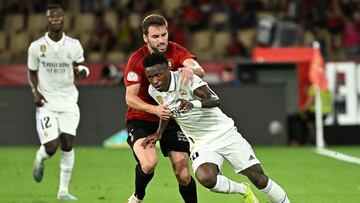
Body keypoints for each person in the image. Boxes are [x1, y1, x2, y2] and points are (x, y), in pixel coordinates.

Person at [142, 52, 290, 203]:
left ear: (168, 68)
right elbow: (167, 110)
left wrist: (193, 103)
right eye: (150, 77)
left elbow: (214, 99)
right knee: (206, 178)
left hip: (224, 133)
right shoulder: (153, 91)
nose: (155, 81)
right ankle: (243, 190)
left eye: (158, 75)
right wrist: (159, 133)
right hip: (201, 143)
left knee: (258, 178)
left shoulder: (186, 78)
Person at [124, 14, 204, 203]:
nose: (161, 40)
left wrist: (189, 70)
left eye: (164, 34)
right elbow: (130, 98)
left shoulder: (176, 51)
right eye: (155, 36)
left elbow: (199, 69)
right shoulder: (137, 60)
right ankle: (138, 196)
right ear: (145, 38)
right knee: (149, 163)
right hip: (142, 117)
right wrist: (154, 109)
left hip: (172, 118)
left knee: (183, 174)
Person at [27, 4, 90, 201]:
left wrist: (82, 71)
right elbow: (32, 71)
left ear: (64, 19)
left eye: (58, 15)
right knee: (51, 147)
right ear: (47, 19)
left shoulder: (74, 45)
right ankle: (40, 157)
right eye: (51, 16)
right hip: (47, 102)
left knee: (68, 143)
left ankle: (63, 191)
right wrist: (35, 92)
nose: (55, 18)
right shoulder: (36, 47)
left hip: (69, 101)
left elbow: (82, 67)